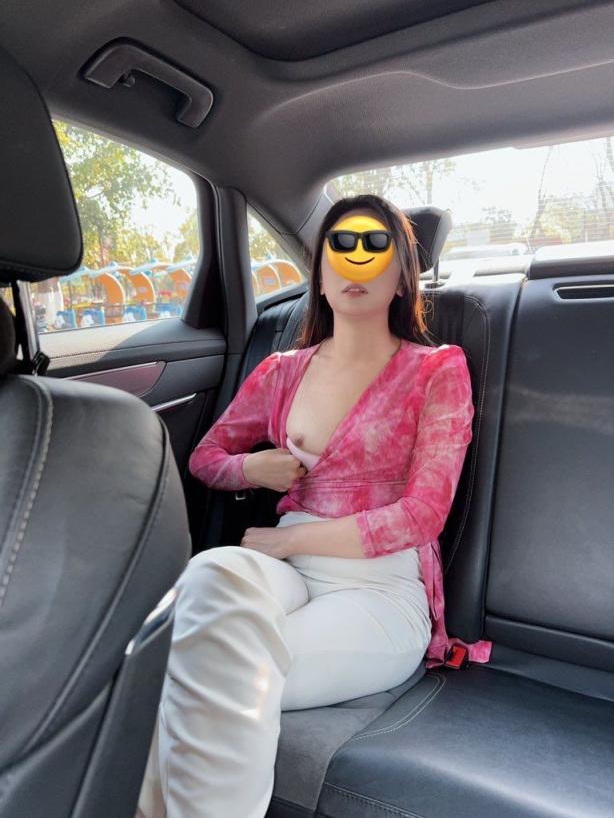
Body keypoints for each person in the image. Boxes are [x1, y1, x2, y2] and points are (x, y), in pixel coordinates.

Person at [136, 194, 491, 818]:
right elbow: (207, 456)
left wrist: (290, 539)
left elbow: (421, 516)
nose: (356, 262)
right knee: (210, 572)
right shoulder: (281, 371)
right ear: (320, 276)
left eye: (375, 248)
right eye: (340, 248)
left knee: (204, 669)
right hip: (287, 576)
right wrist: (254, 468)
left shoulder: (436, 370)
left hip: (378, 590)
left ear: (402, 277)